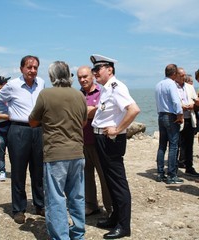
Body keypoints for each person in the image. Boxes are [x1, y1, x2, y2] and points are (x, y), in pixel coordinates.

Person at [29, 61, 87, 240]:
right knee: (77, 196)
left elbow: (32, 121)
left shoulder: (45, 94)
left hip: (55, 153)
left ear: (52, 76)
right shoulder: (79, 95)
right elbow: (84, 122)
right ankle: (78, 234)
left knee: (56, 198)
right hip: (77, 152)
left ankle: (61, 237)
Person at [90, 54, 140, 239]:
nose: (95, 72)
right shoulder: (105, 88)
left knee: (118, 183)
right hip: (102, 140)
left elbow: (134, 109)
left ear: (109, 69)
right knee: (110, 181)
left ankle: (123, 225)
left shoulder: (117, 87)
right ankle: (115, 217)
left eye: (98, 69)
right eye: (93, 69)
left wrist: (118, 129)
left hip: (111, 140)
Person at [0, 55, 45, 224]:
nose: (32, 70)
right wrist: (7, 114)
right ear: (21, 68)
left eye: (35, 67)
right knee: (18, 171)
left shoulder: (42, 84)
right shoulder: (12, 85)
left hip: (38, 130)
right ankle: (19, 209)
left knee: (39, 171)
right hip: (18, 130)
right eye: (29, 67)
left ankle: (40, 204)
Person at [77, 66, 112, 216]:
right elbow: (76, 114)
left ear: (92, 76)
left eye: (85, 76)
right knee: (86, 176)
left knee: (105, 176)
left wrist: (87, 111)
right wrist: (92, 109)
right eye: (80, 77)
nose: (83, 80)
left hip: (100, 142)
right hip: (83, 141)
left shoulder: (103, 91)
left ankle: (110, 208)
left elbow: (101, 112)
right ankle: (91, 205)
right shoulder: (77, 95)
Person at [155, 64, 184, 184]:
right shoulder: (171, 84)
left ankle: (160, 173)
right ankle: (172, 175)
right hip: (170, 115)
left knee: (162, 145)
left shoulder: (158, 84)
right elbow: (176, 101)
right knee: (173, 145)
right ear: (174, 74)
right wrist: (180, 114)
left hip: (161, 115)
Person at [175, 67, 199, 176]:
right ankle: (174, 167)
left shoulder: (190, 87)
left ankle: (189, 167)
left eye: (184, 75)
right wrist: (181, 107)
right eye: (181, 75)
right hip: (179, 119)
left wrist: (192, 105)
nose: (183, 77)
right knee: (176, 144)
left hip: (190, 118)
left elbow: (196, 101)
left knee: (190, 144)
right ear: (176, 75)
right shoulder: (172, 87)